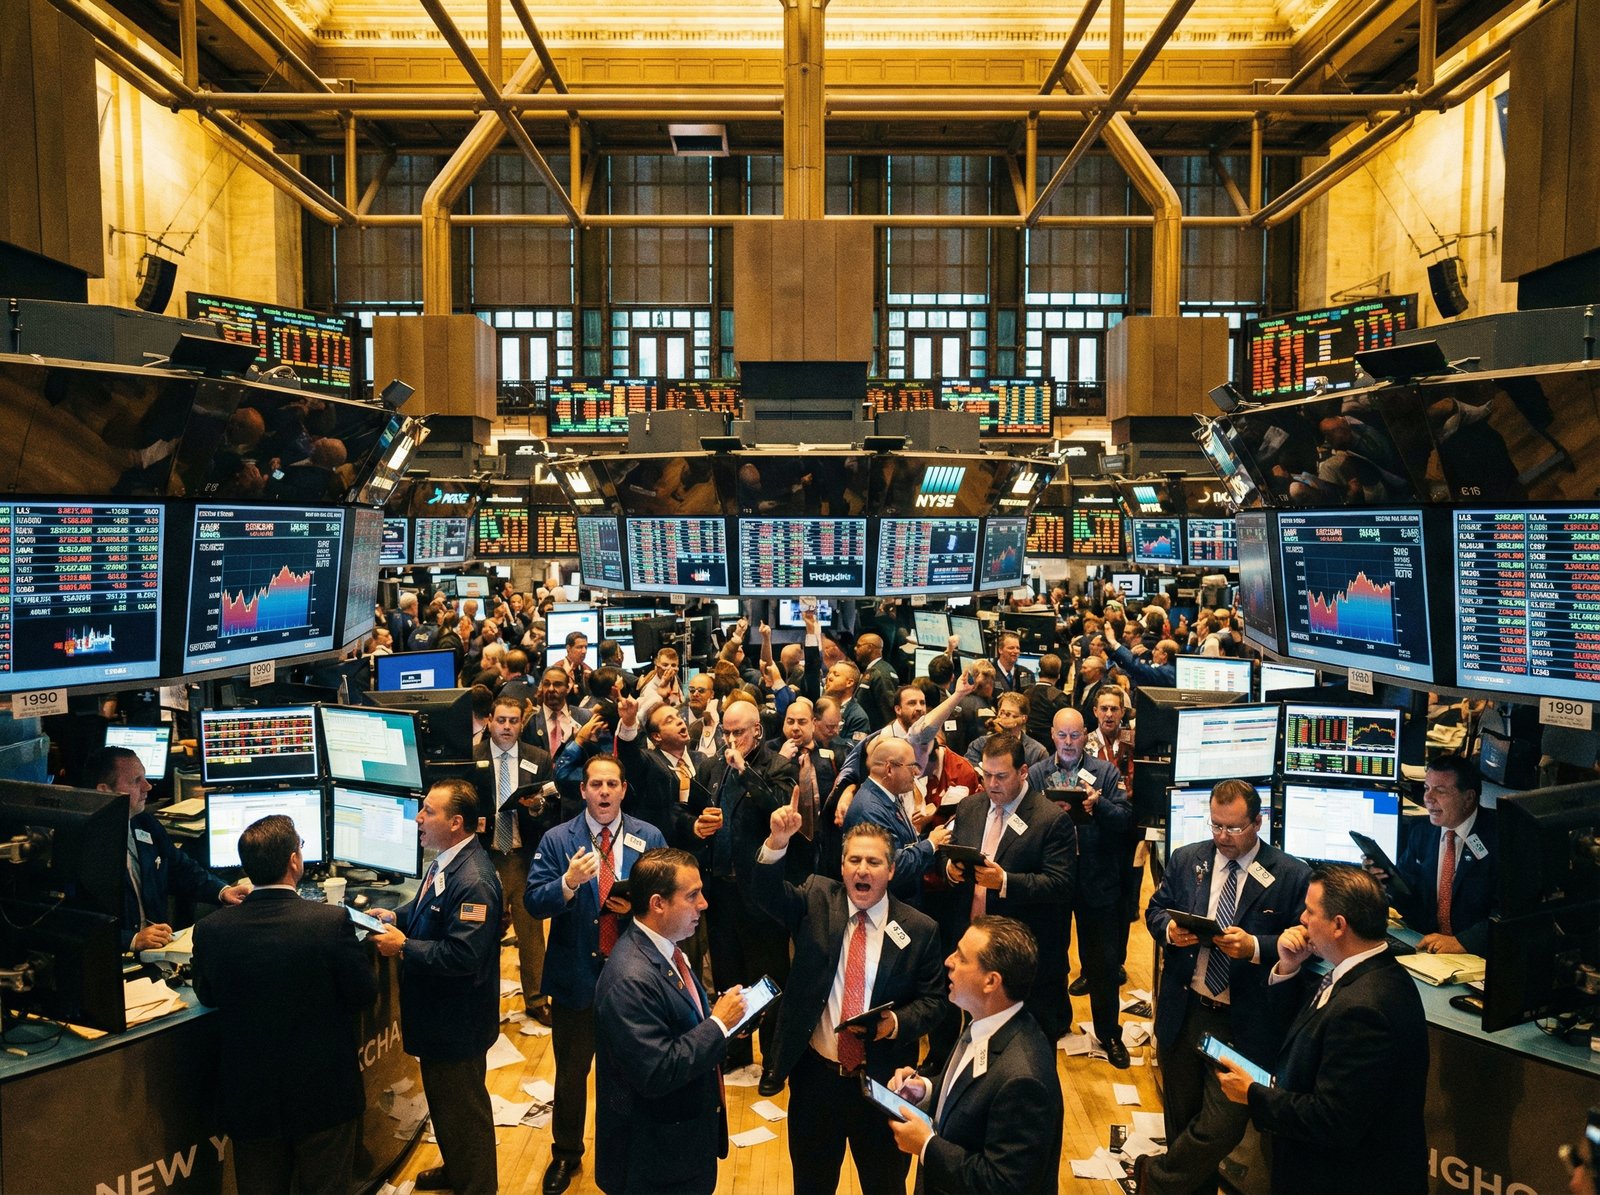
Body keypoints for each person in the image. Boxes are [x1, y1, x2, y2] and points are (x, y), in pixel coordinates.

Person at [750, 805, 947, 1193]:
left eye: (873, 862)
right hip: (816, 1081)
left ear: (891, 870)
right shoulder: (816, 898)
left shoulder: (920, 929)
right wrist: (777, 842)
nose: (862, 869)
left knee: (886, 1184)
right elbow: (765, 894)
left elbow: (935, 1001)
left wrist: (896, 1024)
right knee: (811, 1184)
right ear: (841, 867)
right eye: (854, 860)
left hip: (882, 1084)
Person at [1136, 780, 1311, 1195]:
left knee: (1222, 1127)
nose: (1222, 837)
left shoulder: (1291, 875)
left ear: (1258, 822)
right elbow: (1156, 909)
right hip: (1186, 1009)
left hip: (1243, 1023)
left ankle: (1153, 1179)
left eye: (1233, 828)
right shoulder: (1186, 858)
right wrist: (1169, 930)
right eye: (1216, 826)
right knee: (1181, 1121)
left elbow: (1307, 941)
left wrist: (1254, 947)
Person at [191, 815, 378, 1195]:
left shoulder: (211, 930)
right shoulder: (330, 921)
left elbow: (207, 995)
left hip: (251, 1100)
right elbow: (363, 994)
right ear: (295, 861)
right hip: (323, 1096)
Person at [1216, 864, 1429, 1195]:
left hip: (1344, 1180)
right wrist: (1288, 966)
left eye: (1310, 911)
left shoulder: (1364, 1009)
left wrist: (1253, 1094)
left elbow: (1333, 1119)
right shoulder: (1367, 973)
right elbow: (1301, 1036)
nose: (1301, 919)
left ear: (1339, 925)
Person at [525, 754, 667, 1195]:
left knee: (633, 1074)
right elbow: (533, 903)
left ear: (624, 789)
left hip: (634, 981)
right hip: (575, 978)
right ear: (582, 790)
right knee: (571, 1076)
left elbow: (668, 903)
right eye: (595, 785)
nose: (604, 792)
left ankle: (630, 1153)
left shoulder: (650, 836)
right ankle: (566, 1155)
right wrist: (566, 884)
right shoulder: (556, 840)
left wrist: (639, 910)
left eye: (612, 784)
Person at [371, 779, 503, 1195]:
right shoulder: (447, 859)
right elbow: (428, 905)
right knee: (446, 1107)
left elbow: (463, 955)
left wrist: (404, 946)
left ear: (457, 823)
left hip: (457, 1023)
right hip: (440, 1020)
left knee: (465, 1111)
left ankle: (477, 1185)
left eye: (428, 811)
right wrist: (396, 917)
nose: (419, 818)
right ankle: (457, 1170)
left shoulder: (475, 880)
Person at [593, 848, 747, 1195]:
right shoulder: (630, 978)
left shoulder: (668, 947)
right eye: (692, 895)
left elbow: (679, 1018)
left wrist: (726, 1022)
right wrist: (717, 1026)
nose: (704, 903)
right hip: (654, 1164)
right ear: (658, 903)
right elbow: (657, 1071)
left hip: (682, 1146)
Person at [883, 916, 1063, 1194]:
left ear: (991, 981)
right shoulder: (984, 1020)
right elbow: (972, 1090)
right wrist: (927, 1091)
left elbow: (1004, 1184)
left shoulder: (1024, 1080)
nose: (949, 962)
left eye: (962, 958)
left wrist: (927, 1146)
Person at [937, 734, 1076, 1043]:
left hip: (1022, 957)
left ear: (1023, 772)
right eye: (986, 775)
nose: (992, 783)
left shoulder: (1051, 820)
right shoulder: (970, 808)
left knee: (1026, 1047)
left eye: (1001, 776)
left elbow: (1060, 885)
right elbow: (948, 857)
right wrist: (951, 870)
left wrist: (1005, 882)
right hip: (971, 946)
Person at [687, 697, 798, 1071]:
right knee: (726, 973)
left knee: (768, 977)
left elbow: (780, 808)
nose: (731, 740)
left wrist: (746, 772)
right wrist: (698, 826)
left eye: (739, 732)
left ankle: (772, 1058)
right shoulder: (711, 766)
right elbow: (692, 811)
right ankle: (734, 1051)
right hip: (719, 888)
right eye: (727, 732)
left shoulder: (779, 765)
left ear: (757, 731)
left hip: (762, 891)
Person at [1028, 706, 1131, 1063]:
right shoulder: (1038, 774)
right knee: (1050, 960)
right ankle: (1053, 1027)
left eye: (1075, 735)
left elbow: (1124, 821)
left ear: (1085, 735)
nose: (1069, 743)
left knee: (1102, 965)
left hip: (1096, 881)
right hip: (1053, 880)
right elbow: (1025, 821)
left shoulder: (1104, 773)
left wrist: (1098, 804)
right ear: (1052, 736)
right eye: (1062, 735)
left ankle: (1109, 1035)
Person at [89, 746, 245, 952]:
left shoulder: (144, 823)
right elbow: (73, 920)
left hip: (158, 950)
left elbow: (179, 868)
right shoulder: (83, 844)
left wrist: (222, 891)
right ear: (104, 791)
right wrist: (131, 940)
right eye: (136, 781)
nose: (148, 787)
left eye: (145, 778)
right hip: (114, 958)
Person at [476, 693, 556, 1026]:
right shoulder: (473, 757)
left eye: (513, 721)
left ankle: (536, 998)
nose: (507, 727)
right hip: (484, 858)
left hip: (524, 858)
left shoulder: (538, 758)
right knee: (480, 934)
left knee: (531, 933)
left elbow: (552, 809)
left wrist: (536, 806)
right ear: (489, 721)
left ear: (521, 723)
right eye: (501, 720)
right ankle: (481, 1001)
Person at [1369, 753, 1496, 956]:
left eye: (1440, 791)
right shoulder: (1422, 832)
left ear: (1469, 797)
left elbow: (1514, 913)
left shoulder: (1501, 838)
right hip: (1429, 951)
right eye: (1427, 788)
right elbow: (1410, 899)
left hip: (1478, 956)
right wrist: (1384, 882)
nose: (1427, 798)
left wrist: (1464, 942)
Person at [853, 632, 900, 731]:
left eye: (859, 646)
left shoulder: (881, 672)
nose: (855, 649)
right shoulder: (873, 670)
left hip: (877, 733)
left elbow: (888, 710)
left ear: (870, 647)